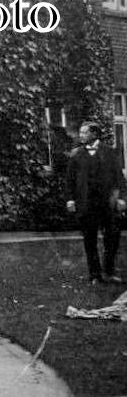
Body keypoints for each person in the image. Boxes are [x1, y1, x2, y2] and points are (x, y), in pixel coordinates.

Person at [66, 121, 126, 284]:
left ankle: (109, 271)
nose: (81, 135)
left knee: (112, 238)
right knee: (89, 240)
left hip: (108, 203)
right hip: (86, 204)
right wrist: (70, 199)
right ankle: (95, 275)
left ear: (94, 134)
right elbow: (70, 180)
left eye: (84, 133)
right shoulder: (76, 154)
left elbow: (119, 177)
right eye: (81, 132)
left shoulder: (110, 152)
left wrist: (122, 198)